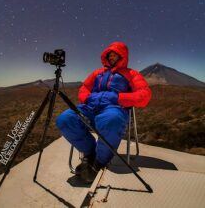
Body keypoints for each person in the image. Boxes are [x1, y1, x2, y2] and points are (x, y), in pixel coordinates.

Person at [56, 41, 152, 183]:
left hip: (114, 108)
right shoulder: (97, 73)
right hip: (90, 107)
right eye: (110, 55)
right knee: (65, 119)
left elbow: (145, 95)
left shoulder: (132, 74)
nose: (112, 58)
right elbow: (84, 88)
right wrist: (88, 98)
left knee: (110, 120)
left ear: (123, 56)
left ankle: (99, 162)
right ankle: (90, 153)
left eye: (115, 55)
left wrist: (118, 97)